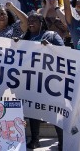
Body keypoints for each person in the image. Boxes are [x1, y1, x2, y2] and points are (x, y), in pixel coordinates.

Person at [23, 11, 64, 149]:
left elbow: (64, 53)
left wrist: (51, 47)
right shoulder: (25, 38)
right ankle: (35, 139)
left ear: (42, 23)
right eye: (29, 20)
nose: (31, 22)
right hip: (32, 80)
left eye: (34, 20)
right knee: (33, 111)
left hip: (50, 81)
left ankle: (62, 142)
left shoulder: (52, 35)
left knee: (54, 111)